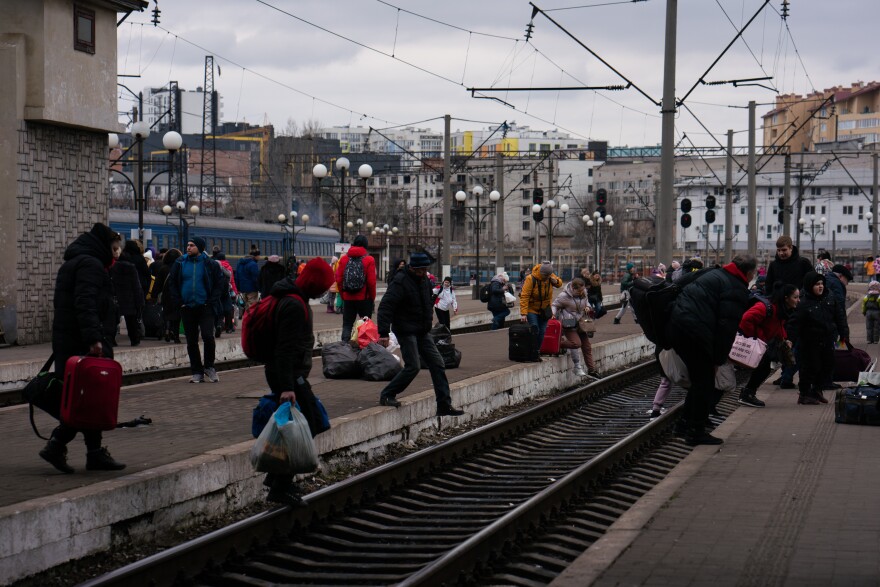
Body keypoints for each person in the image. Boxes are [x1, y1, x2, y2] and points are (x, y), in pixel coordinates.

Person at [40, 223, 126, 474]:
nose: (115, 254)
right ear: (102, 245)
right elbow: (85, 303)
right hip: (83, 342)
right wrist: (94, 339)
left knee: (89, 397)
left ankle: (94, 453)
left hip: (71, 339)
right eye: (113, 248)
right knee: (86, 398)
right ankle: (57, 445)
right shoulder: (90, 265)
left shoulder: (75, 261)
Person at [261, 258, 334, 506]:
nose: (324, 292)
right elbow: (284, 350)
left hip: (289, 374)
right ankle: (280, 484)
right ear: (314, 283)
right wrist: (287, 388)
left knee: (305, 422)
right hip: (289, 376)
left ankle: (278, 479)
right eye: (323, 287)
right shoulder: (294, 305)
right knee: (308, 422)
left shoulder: (294, 298)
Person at [665, 255, 757, 445]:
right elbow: (726, 328)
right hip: (695, 330)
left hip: (678, 324)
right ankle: (695, 432)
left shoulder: (716, 273)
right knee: (705, 381)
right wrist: (718, 360)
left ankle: (683, 425)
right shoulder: (735, 288)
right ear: (749, 273)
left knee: (699, 379)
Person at [376, 251, 465, 416]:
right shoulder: (400, 282)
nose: (423, 273)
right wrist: (383, 333)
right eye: (420, 270)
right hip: (405, 330)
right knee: (413, 366)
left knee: (438, 363)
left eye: (425, 269)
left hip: (422, 330)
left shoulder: (423, 280)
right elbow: (385, 307)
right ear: (412, 268)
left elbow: (426, 301)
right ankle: (387, 394)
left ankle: (444, 405)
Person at [168, 236, 224, 383]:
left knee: (208, 336)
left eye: (192, 245)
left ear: (200, 247)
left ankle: (209, 367)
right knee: (191, 340)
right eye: (187, 245)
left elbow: (219, 284)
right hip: (187, 307)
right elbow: (172, 283)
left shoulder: (209, 264)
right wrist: (179, 301)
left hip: (205, 306)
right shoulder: (180, 263)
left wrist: (211, 301)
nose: (188, 248)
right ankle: (197, 371)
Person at [787, 271, 848, 405]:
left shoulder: (830, 297)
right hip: (810, 342)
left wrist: (844, 336)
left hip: (828, 339)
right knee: (810, 367)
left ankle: (817, 390)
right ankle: (804, 394)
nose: (820, 287)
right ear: (809, 285)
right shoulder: (803, 302)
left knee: (828, 365)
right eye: (816, 284)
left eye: (821, 284)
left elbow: (840, 317)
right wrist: (789, 339)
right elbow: (794, 323)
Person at [737, 284, 799, 407]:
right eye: (796, 297)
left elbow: (777, 325)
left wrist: (784, 339)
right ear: (786, 298)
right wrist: (759, 337)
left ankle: (748, 393)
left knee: (764, 368)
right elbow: (745, 320)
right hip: (753, 342)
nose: (798, 300)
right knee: (763, 368)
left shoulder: (780, 309)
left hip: (762, 343)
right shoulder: (766, 307)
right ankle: (747, 394)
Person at [766, 235, 814, 390]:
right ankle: (785, 374)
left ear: (791, 248)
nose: (781, 253)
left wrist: (804, 299)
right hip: (781, 311)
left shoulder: (803, 263)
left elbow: (811, 280)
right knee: (782, 343)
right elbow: (768, 286)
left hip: (799, 308)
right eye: (779, 250)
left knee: (797, 343)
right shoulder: (774, 265)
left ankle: (787, 375)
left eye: (784, 250)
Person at [551, 277, 599, 378]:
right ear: (573, 288)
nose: (582, 292)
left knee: (586, 346)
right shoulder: (564, 296)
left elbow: (587, 303)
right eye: (579, 291)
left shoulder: (584, 293)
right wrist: (553, 314)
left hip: (581, 322)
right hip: (568, 322)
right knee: (576, 343)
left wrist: (588, 307)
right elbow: (554, 305)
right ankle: (557, 345)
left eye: (583, 290)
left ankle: (592, 370)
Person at [335, 235, 377, 342]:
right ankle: (365, 350)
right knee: (365, 325)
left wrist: (343, 294)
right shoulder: (369, 259)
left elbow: (339, 279)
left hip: (348, 298)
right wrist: (372, 297)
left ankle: (344, 347)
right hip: (364, 298)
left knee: (347, 324)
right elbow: (371, 282)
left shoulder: (344, 259)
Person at [519, 261, 563, 348]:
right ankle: (532, 350)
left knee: (542, 331)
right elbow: (524, 296)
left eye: (548, 276)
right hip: (532, 309)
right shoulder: (530, 279)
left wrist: (556, 281)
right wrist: (523, 313)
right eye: (545, 276)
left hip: (545, 310)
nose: (546, 278)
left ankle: (537, 351)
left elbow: (559, 284)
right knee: (535, 329)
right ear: (541, 273)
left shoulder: (550, 276)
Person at [110, 240, 145, 346]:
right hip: (130, 298)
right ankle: (134, 340)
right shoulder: (131, 267)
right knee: (132, 321)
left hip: (116, 296)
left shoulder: (113, 267)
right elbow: (136, 285)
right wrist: (140, 301)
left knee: (113, 319)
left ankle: (112, 339)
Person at [156, 248, 182, 343]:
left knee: (167, 314)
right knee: (177, 315)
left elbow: (158, 284)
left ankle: (167, 330)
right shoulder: (180, 267)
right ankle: (176, 336)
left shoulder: (163, 268)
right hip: (177, 294)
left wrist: (154, 295)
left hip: (166, 295)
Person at [214, 252, 238, 336]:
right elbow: (232, 281)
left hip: (216, 294)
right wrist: (234, 291)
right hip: (226, 292)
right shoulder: (228, 268)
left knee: (217, 311)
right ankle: (229, 327)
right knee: (228, 310)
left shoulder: (213, 267)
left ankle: (218, 325)